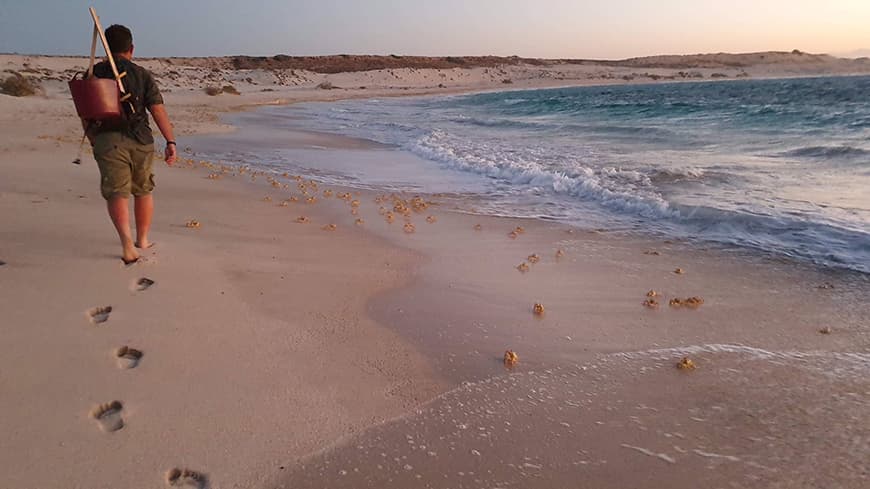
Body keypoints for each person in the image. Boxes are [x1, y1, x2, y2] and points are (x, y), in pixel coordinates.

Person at [84, 24, 177, 265]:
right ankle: (142, 240)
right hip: (141, 140)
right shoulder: (142, 74)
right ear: (131, 48)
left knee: (117, 192)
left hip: (107, 139)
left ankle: (126, 242)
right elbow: (157, 110)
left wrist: (93, 138)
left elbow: (85, 112)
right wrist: (170, 140)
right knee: (143, 190)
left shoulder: (93, 74)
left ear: (106, 48)